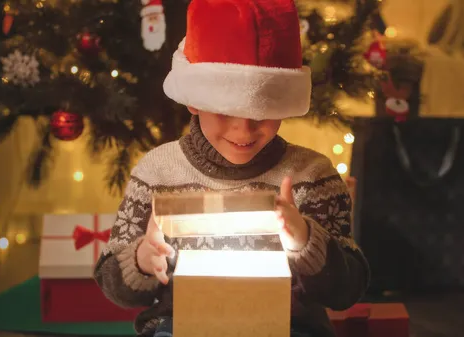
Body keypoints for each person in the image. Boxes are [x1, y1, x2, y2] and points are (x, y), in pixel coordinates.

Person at [93, 0, 370, 336]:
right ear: (194, 99)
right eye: (226, 112)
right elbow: (111, 281)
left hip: (289, 327)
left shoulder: (311, 175)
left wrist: (306, 240)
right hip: (178, 325)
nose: (244, 131)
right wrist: (141, 259)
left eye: (263, 114)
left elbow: (349, 289)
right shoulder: (159, 172)